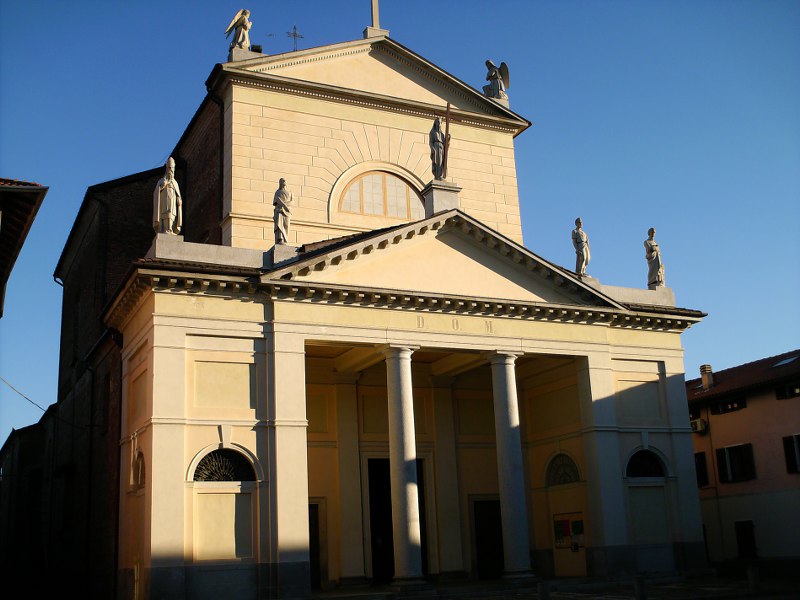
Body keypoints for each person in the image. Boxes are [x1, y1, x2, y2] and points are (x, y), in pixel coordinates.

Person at [152, 157, 182, 235]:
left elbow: (178, 194)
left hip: (173, 200)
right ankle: (165, 229)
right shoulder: (161, 181)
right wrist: (162, 186)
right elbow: (156, 193)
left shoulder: (175, 183)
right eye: (169, 168)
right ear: (166, 169)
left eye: (172, 168)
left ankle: (171, 229)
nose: (171, 170)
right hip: (164, 200)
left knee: (172, 213)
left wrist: (179, 200)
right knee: (166, 213)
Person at [273, 178, 293, 244]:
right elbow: (275, 201)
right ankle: (280, 238)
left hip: (287, 212)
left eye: (285, 181)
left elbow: (292, 202)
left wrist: (285, 205)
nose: (284, 182)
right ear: (280, 183)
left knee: (286, 225)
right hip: (279, 211)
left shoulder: (290, 193)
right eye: (282, 181)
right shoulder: (277, 192)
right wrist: (282, 206)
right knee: (280, 225)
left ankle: (285, 239)